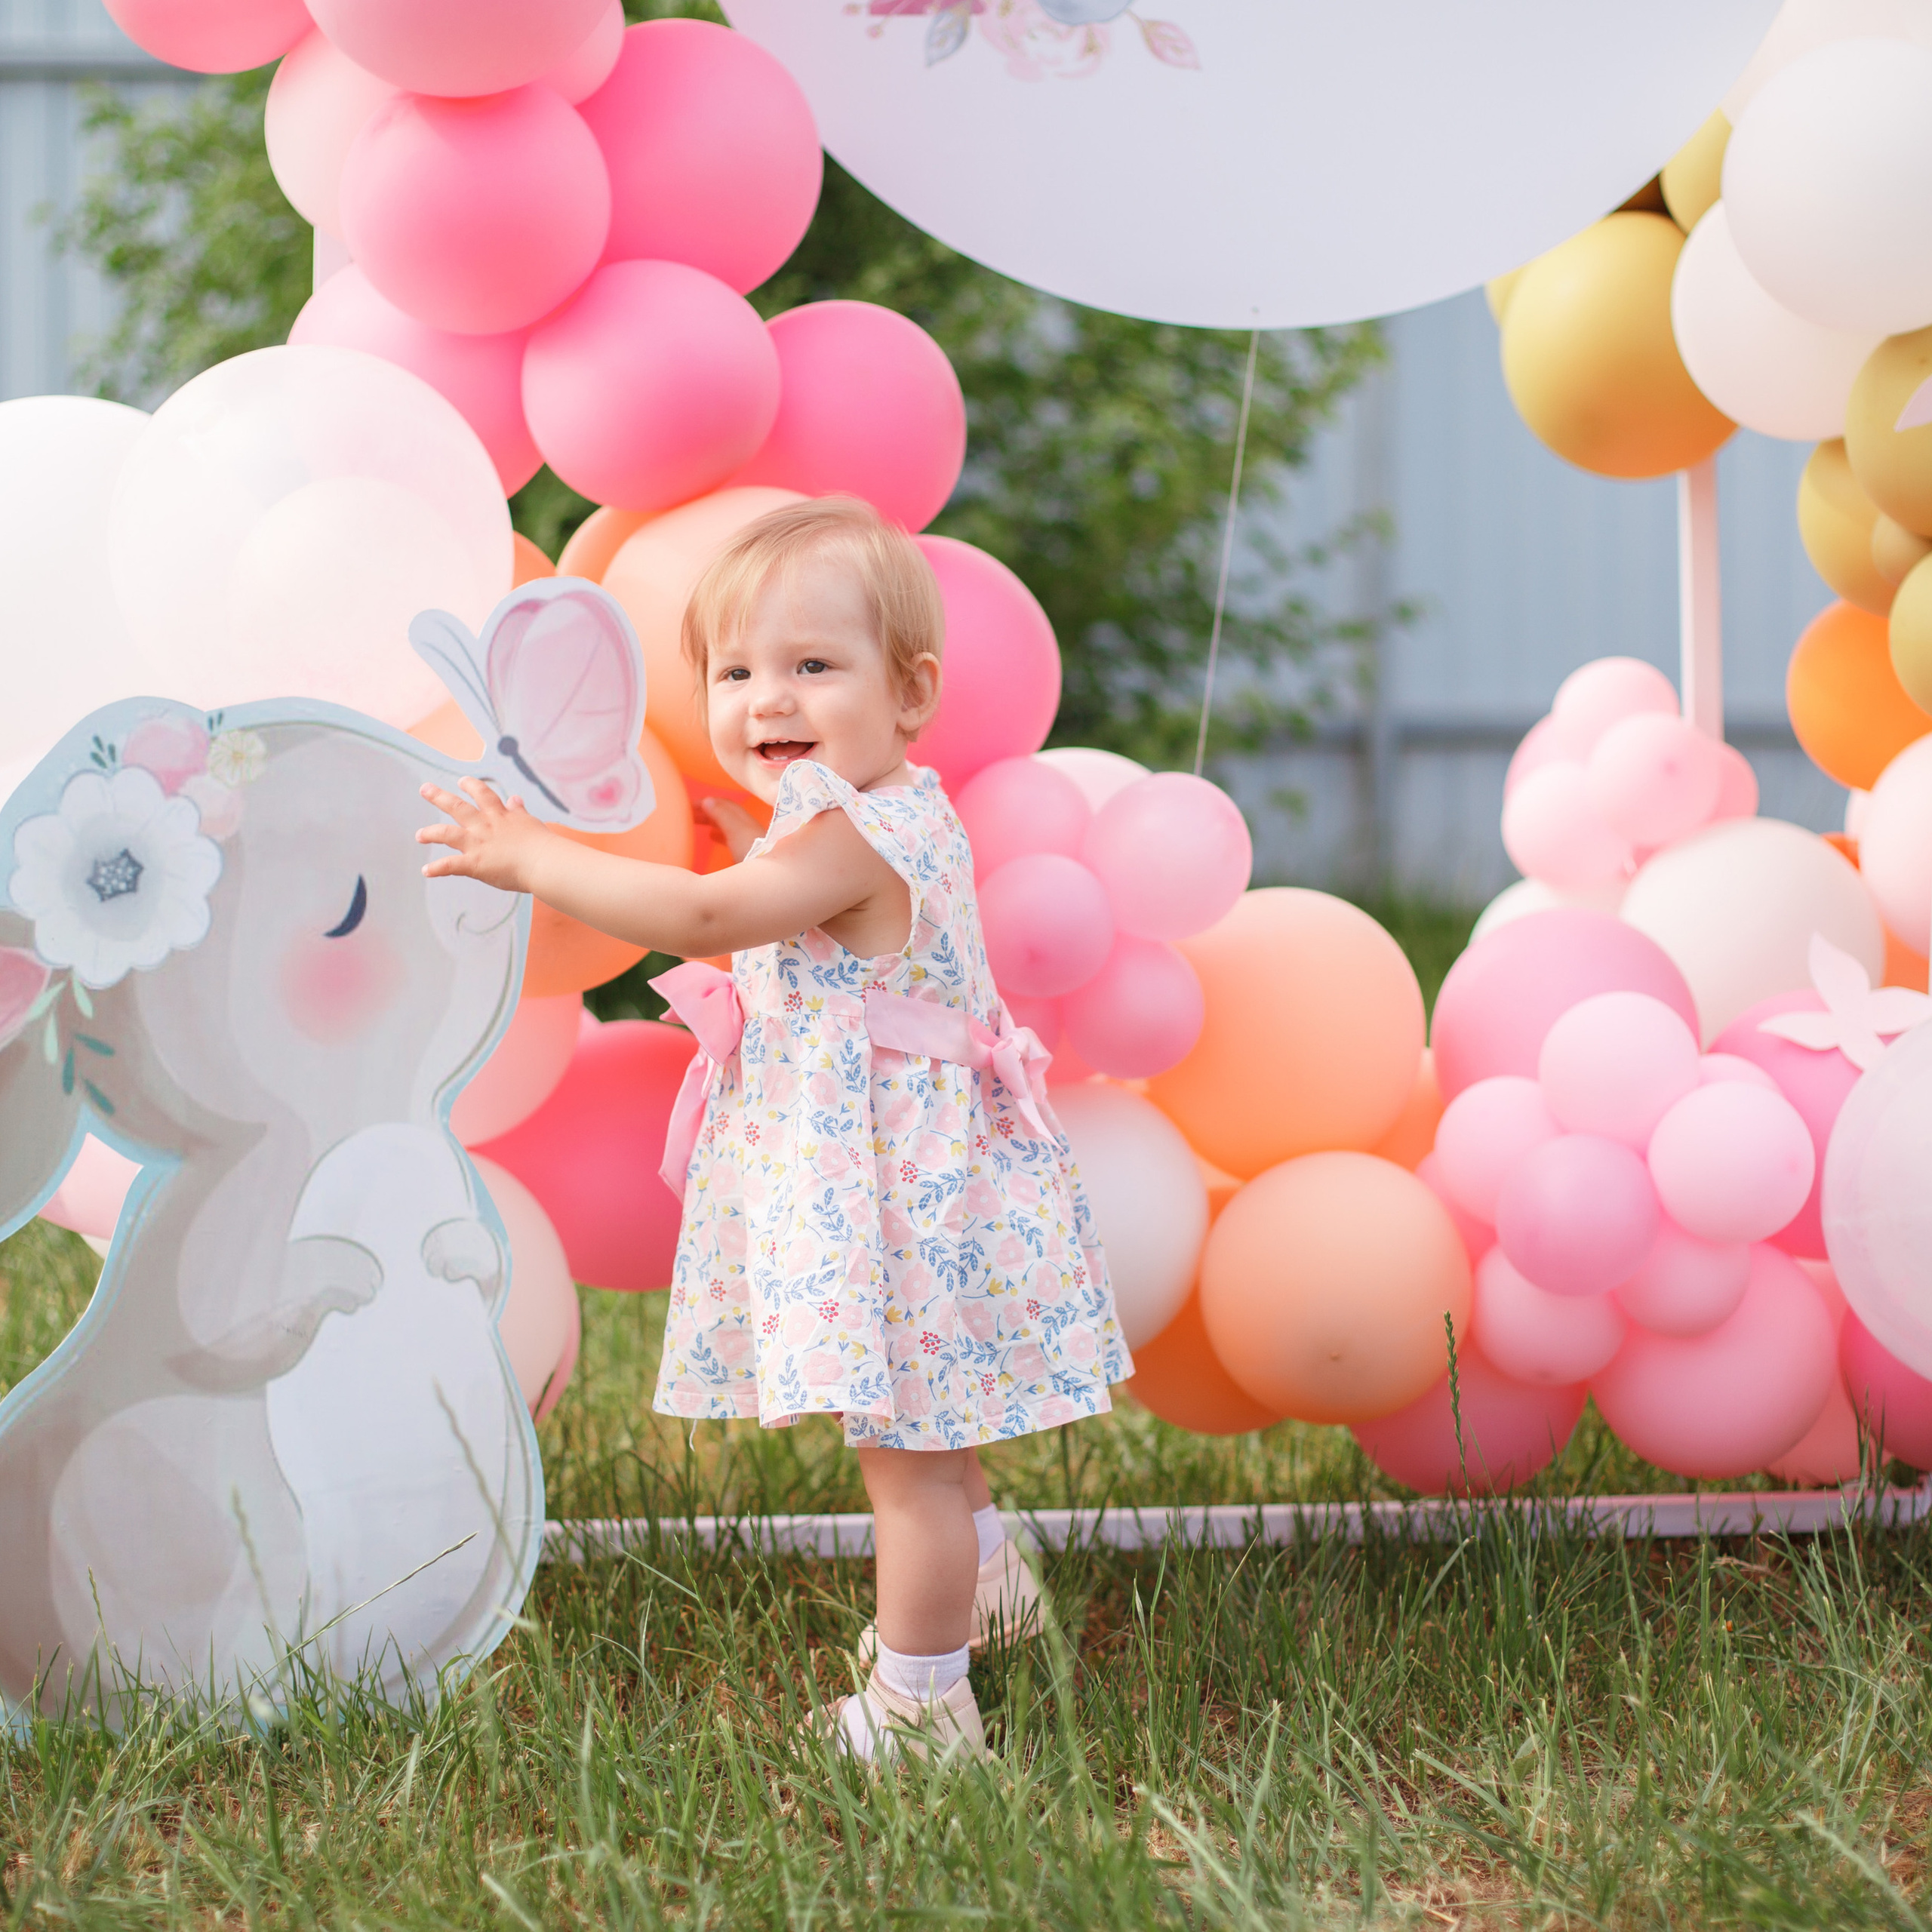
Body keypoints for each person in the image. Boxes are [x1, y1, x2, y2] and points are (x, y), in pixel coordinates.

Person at [418, 496, 1130, 1763]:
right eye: (736, 671)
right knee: (933, 1439)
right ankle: (992, 1593)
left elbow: (702, 922)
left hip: (898, 1201)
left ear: (910, 693)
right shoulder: (870, 811)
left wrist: (532, 856)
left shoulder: (854, 834)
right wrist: (749, 835)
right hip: (913, 1183)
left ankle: (924, 1705)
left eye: (813, 666)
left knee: (904, 1464)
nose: (768, 699)